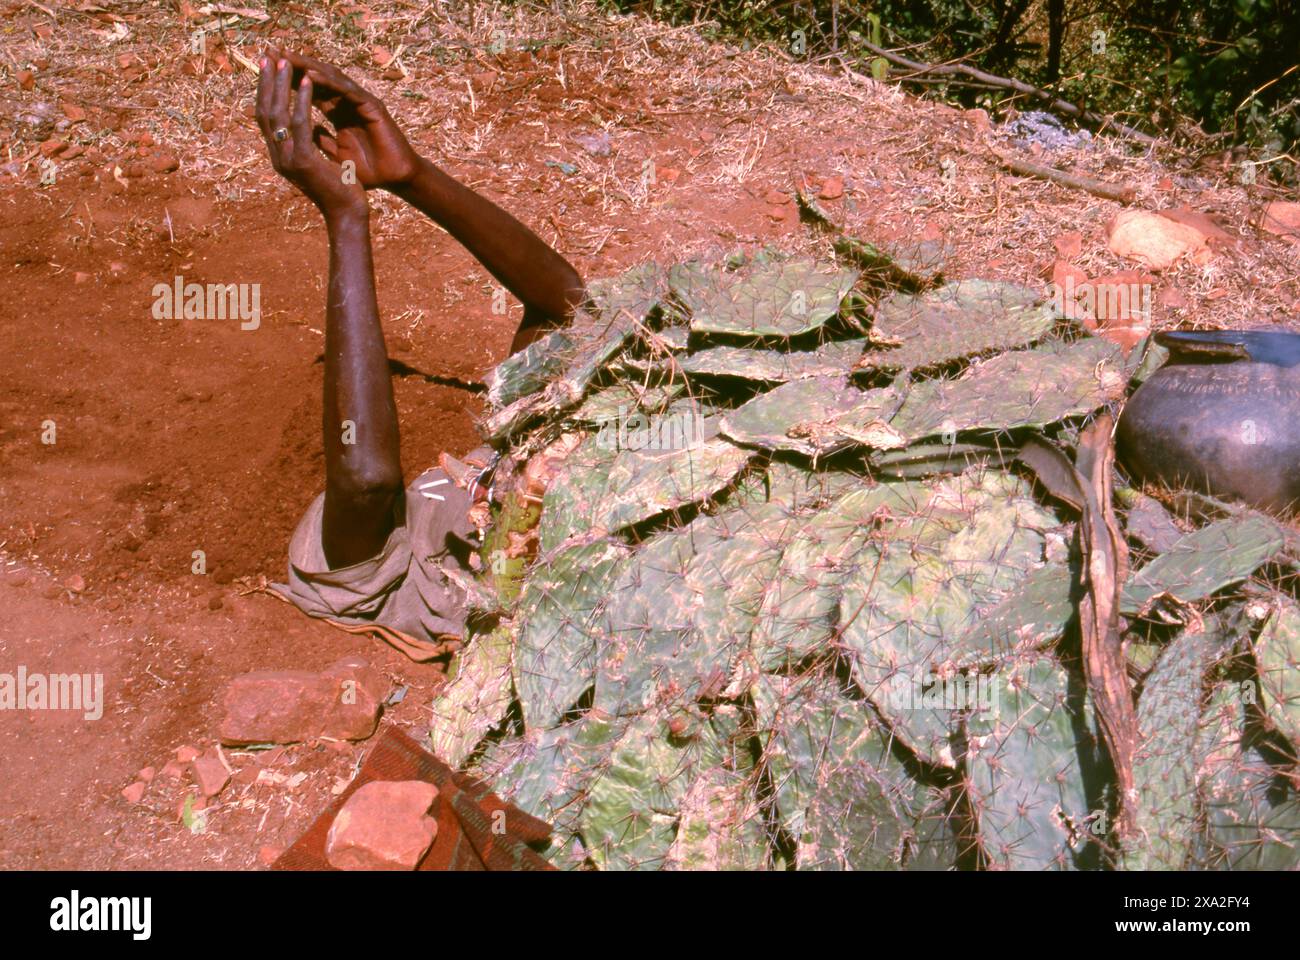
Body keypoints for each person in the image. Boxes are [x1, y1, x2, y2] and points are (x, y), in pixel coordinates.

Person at [253, 50, 584, 658]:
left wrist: (405, 181)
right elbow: (367, 482)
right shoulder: (395, 583)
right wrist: (350, 213)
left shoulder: (484, 477)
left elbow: (567, 308)